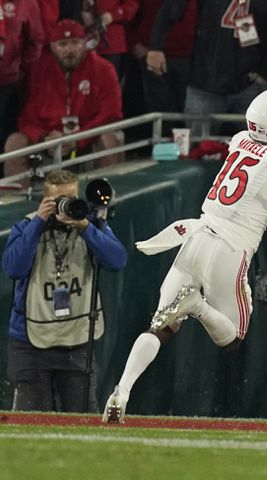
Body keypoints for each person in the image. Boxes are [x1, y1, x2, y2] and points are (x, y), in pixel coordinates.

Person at [101, 88, 267, 423]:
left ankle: (121, 391)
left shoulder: (242, 141)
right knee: (233, 339)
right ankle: (195, 305)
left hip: (196, 238)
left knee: (162, 324)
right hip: (230, 250)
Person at [2, 169, 127, 412]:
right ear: (45, 201)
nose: (66, 205)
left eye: (72, 198)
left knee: (83, 425)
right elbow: (13, 268)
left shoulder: (90, 226)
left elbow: (117, 260)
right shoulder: (27, 226)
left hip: (77, 342)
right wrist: (39, 222)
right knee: (32, 426)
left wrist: (86, 228)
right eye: (60, 200)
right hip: (31, 344)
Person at [3, 19, 123, 184]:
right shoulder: (39, 70)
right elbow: (27, 118)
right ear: (52, 46)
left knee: (110, 138)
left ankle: (106, 197)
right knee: (14, 142)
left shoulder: (103, 69)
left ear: (84, 43)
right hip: (50, 140)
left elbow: (111, 114)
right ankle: (19, 202)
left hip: (87, 137)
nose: (69, 50)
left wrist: (77, 138)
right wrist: (44, 138)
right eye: (63, 44)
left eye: (75, 43)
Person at [147, 0, 267, 137]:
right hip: (205, 82)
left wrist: (265, 71)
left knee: (259, 148)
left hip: (249, 82)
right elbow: (169, 8)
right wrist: (155, 47)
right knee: (196, 147)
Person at [0, 0, 44, 175]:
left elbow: (36, 40)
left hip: (8, 82)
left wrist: (21, 68)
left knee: (4, 134)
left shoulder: (26, 3)